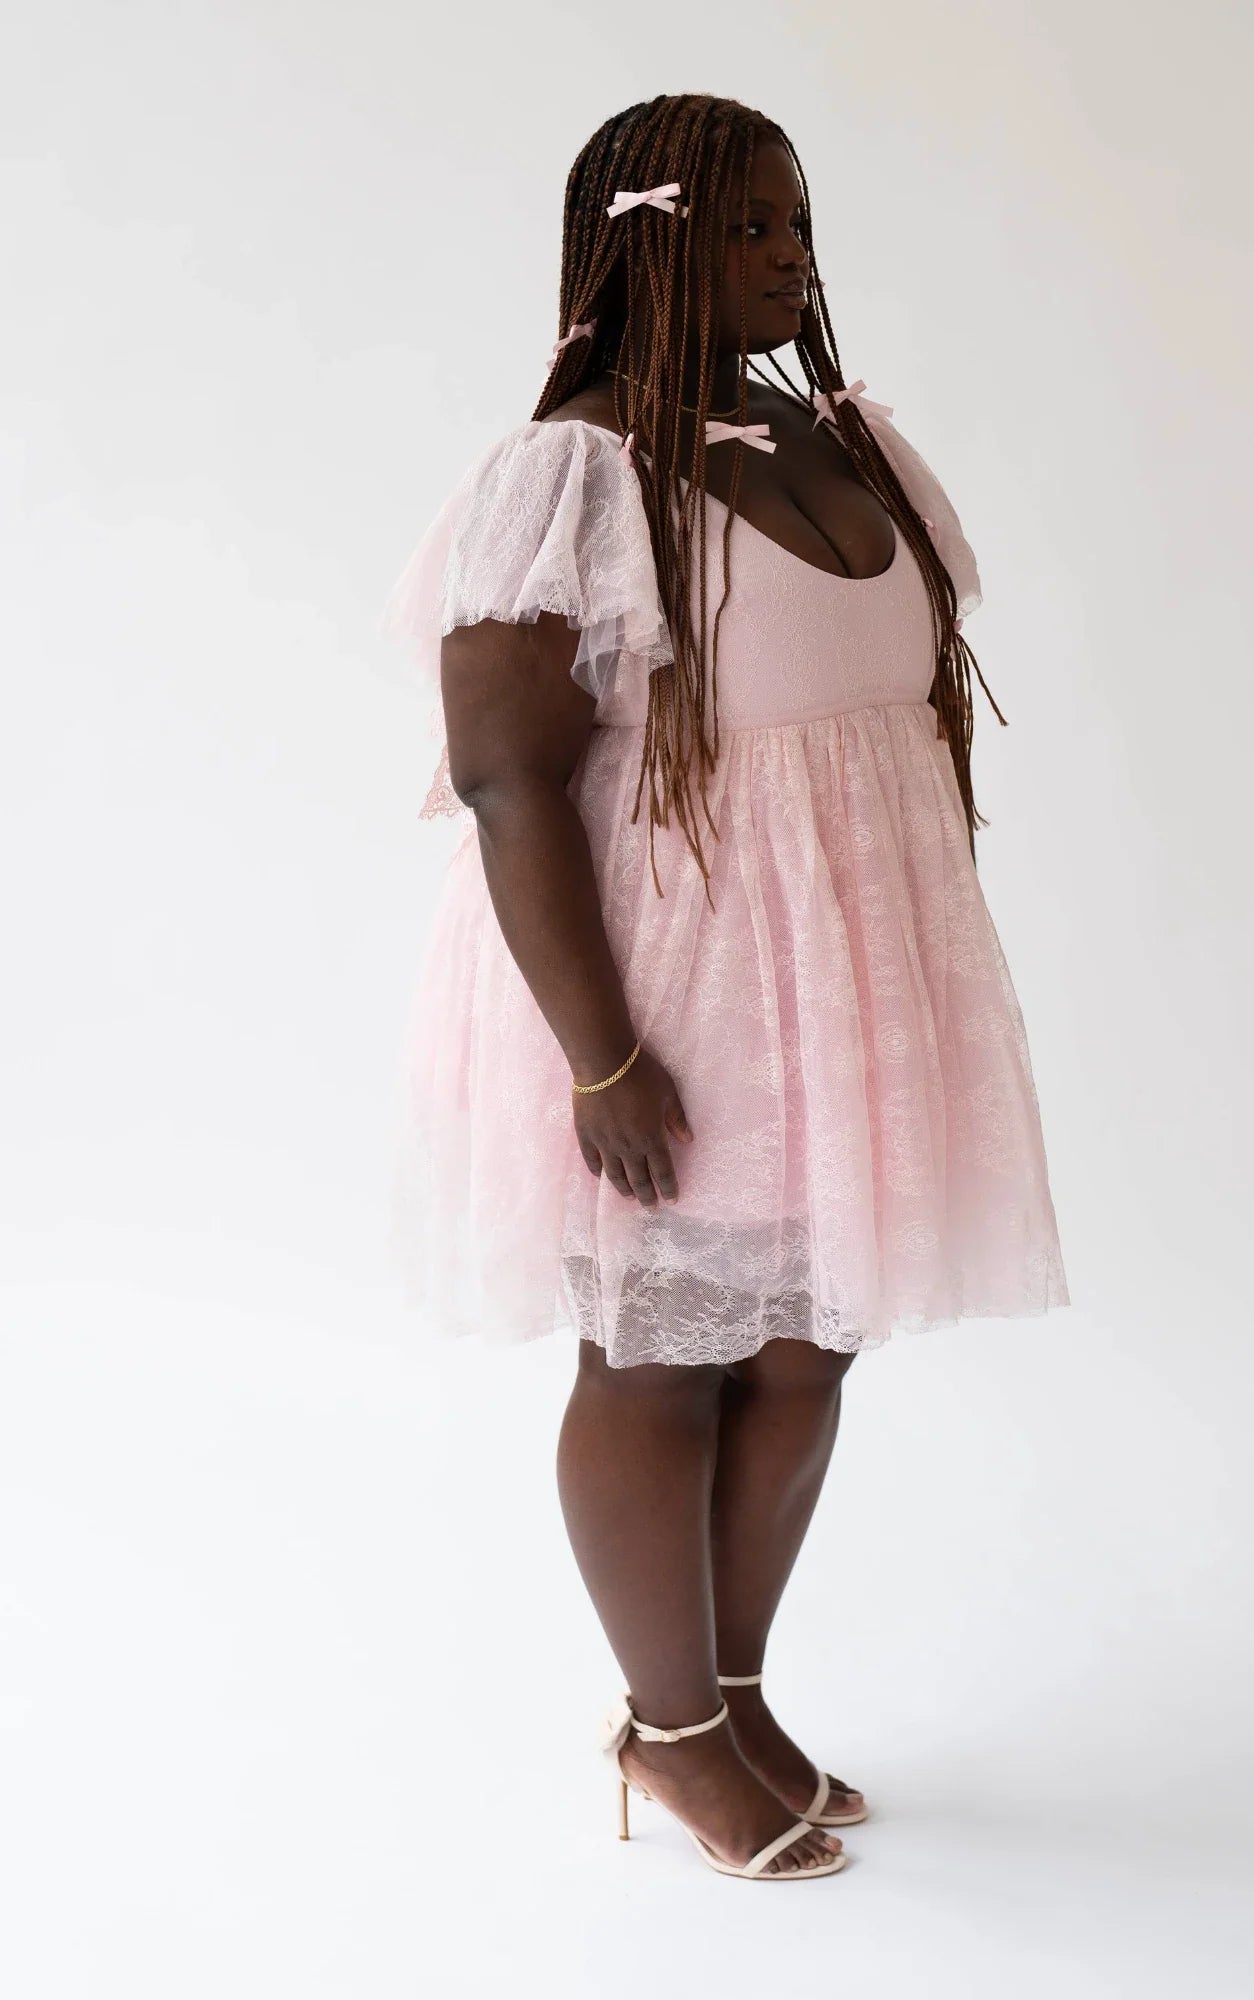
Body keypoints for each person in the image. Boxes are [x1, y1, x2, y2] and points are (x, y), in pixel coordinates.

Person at [382, 92, 1070, 1881]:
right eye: (753, 226)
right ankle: (668, 1729)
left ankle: (729, 1691)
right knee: (664, 1360)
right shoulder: (576, 475)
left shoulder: (847, 445)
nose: (792, 257)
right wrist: (602, 1057)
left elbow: (903, 736)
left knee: (804, 1344)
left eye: (799, 223)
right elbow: (508, 775)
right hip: (667, 993)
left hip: (841, 988)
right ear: (652, 240)